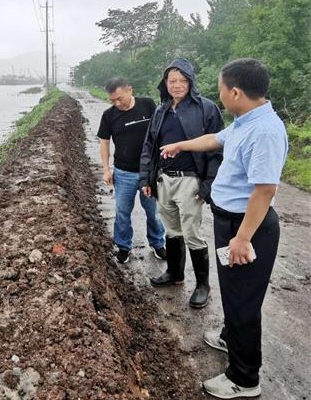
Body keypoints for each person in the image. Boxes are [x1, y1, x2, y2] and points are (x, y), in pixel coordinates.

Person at [159, 58, 288, 399]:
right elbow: (214, 140)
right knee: (233, 292)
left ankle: (244, 379)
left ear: (236, 92)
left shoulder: (265, 131)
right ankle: (230, 338)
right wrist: (180, 145)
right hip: (230, 221)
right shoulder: (244, 121)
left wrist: (242, 238)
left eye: (220, 89)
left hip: (247, 227)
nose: (219, 95)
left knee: (244, 302)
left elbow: (265, 190)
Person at [140, 58, 224, 308]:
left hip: (190, 181)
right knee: (172, 230)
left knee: (192, 233)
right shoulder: (161, 110)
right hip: (164, 179)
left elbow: (217, 150)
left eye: (182, 81)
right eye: (172, 81)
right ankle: (174, 273)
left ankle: (202, 285)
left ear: (191, 82)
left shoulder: (206, 108)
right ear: (165, 83)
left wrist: (208, 184)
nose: (176, 85)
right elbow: (149, 146)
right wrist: (146, 178)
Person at [97, 78, 166, 264]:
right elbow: (104, 142)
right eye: (113, 100)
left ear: (130, 90)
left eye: (120, 98)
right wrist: (106, 169)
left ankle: (158, 243)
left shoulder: (147, 105)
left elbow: (160, 132)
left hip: (149, 173)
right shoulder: (109, 115)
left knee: (153, 212)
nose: (117, 103)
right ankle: (123, 247)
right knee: (122, 212)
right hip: (123, 173)